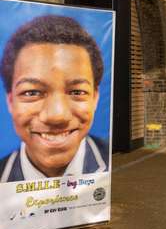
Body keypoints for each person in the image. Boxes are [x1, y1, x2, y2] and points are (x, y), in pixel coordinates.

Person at [0, 15, 108, 182]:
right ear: (10, 101)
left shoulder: (109, 162)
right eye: (32, 93)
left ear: (95, 98)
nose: (57, 116)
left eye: (77, 92)